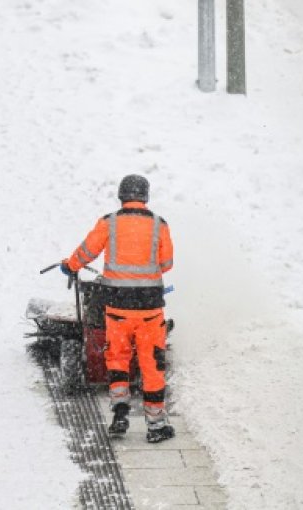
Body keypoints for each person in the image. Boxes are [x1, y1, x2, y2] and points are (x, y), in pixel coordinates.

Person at [60, 174, 175, 442]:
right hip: (149, 311)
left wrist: (70, 265)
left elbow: (86, 252)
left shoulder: (108, 222)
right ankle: (156, 426)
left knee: (118, 358)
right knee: (152, 364)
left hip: (117, 309)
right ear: (145, 196)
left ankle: (120, 414)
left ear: (122, 195)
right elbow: (167, 264)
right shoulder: (159, 224)